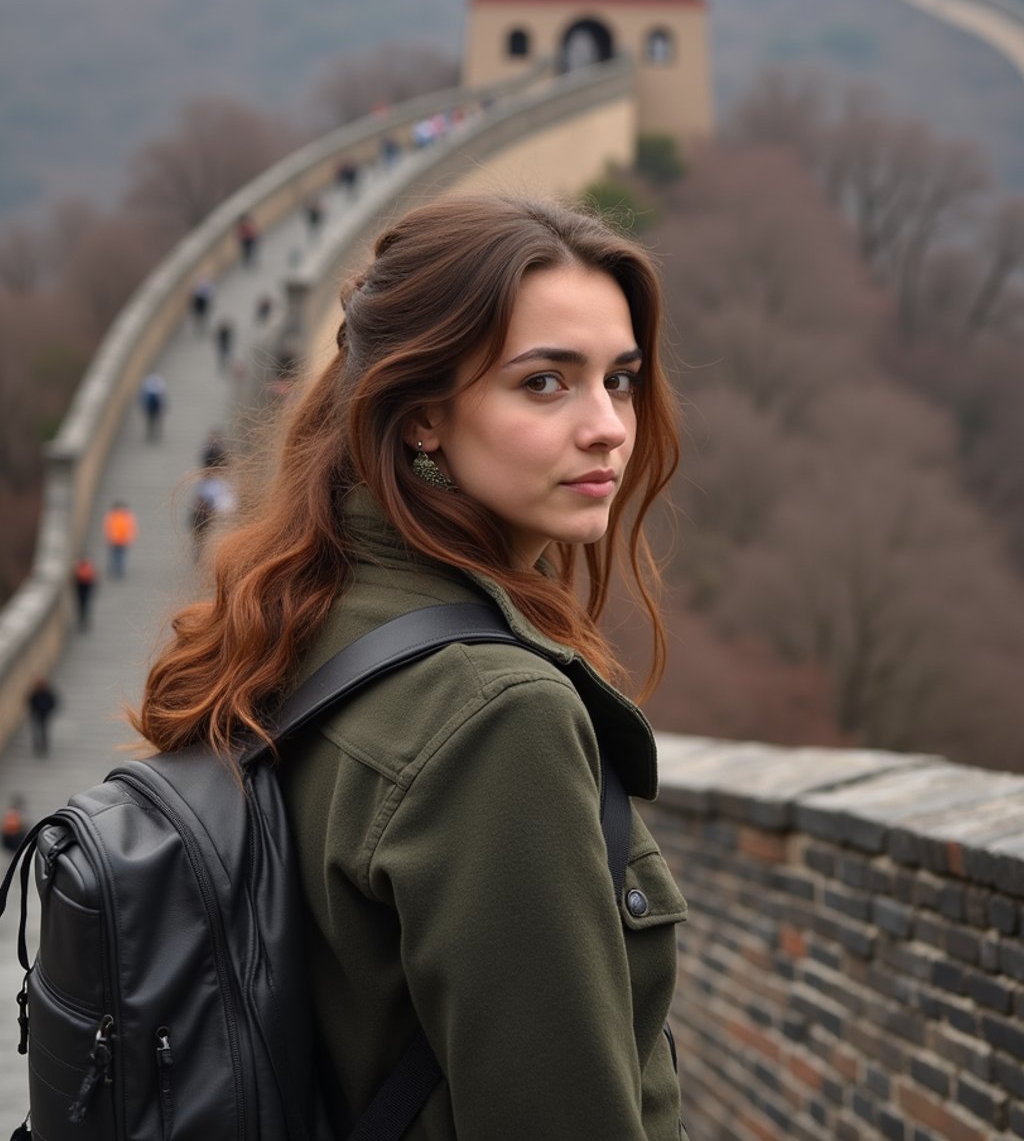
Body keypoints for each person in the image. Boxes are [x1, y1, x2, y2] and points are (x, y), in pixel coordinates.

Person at [134, 195, 687, 1141]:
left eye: (621, 380)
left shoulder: (291, 613)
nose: (608, 427)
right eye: (545, 384)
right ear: (423, 416)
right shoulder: (496, 718)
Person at [104, 500, 138, 579]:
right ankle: (115, 568)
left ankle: (119, 570)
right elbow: (107, 527)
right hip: (114, 540)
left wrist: (130, 537)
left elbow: (131, 528)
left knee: (121, 556)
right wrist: (109, 537)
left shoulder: (127, 516)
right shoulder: (112, 516)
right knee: (115, 555)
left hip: (123, 540)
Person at [27, 679, 59, 756]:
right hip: (37, 714)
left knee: (43, 731)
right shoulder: (36, 694)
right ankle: (37, 746)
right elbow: (30, 702)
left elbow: (53, 703)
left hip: (44, 715)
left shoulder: (47, 694)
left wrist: (48, 710)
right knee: (37, 731)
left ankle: (44, 746)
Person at [139, 370, 168, 440]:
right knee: (157, 420)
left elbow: (143, 396)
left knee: (150, 421)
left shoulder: (147, 381)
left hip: (150, 407)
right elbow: (163, 396)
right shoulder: (160, 381)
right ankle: (157, 434)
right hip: (157, 406)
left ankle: (150, 434)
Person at [71, 555, 98, 628]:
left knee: (82, 605)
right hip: (84, 589)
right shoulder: (88, 568)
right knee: (84, 605)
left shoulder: (79, 568)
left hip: (82, 589)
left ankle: (82, 619)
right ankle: (83, 619)